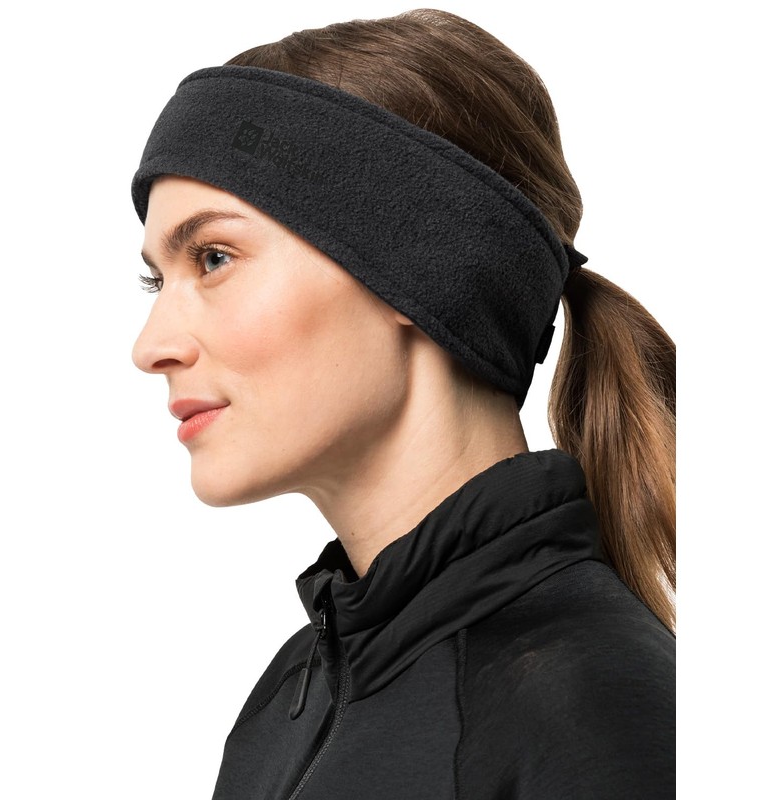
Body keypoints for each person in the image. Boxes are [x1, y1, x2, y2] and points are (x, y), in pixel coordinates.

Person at [131, 9, 675, 799]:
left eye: (214, 258)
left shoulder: (588, 708)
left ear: (422, 268)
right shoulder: (289, 701)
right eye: (157, 279)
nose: (150, 345)